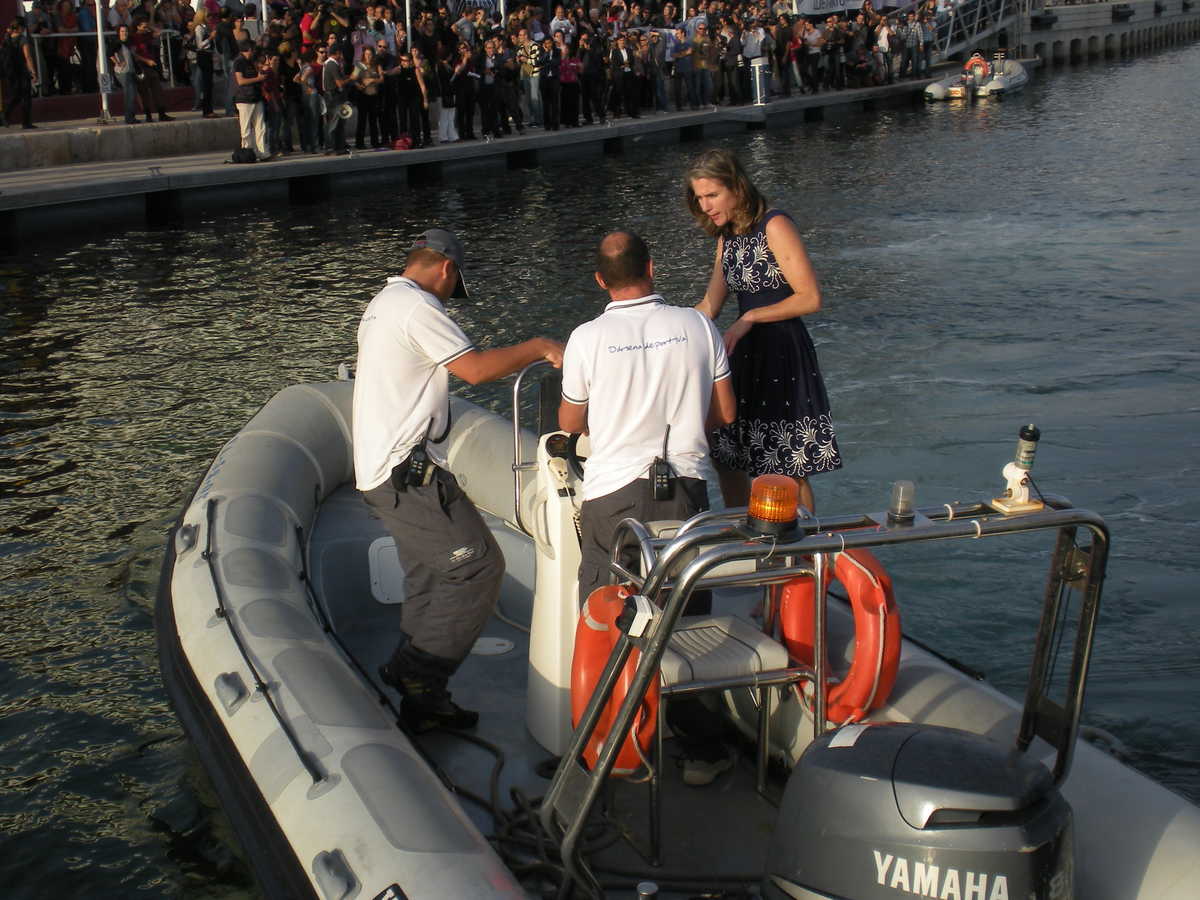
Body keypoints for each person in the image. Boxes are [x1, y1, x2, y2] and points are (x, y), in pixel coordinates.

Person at [358, 228, 563, 732]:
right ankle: (417, 673)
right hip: (403, 471)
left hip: (386, 467)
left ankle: (422, 698)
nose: (451, 298)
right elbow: (473, 369)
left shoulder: (384, 301)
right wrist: (538, 346)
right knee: (476, 568)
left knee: (431, 574)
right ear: (447, 270)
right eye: (454, 286)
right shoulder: (417, 307)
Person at [559, 231, 737, 785]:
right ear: (652, 267)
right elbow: (724, 412)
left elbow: (570, 424)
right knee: (684, 622)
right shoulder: (697, 325)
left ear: (599, 280)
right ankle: (701, 748)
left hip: (612, 495)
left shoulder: (586, 338)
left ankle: (608, 743)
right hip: (684, 490)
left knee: (608, 613)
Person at [687, 149, 842, 514]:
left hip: (782, 354)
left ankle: (802, 546)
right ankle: (742, 536)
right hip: (743, 354)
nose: (706, 206)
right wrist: (660, 324)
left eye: (712, 196)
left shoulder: (775, 225)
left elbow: (810, 297)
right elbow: (709, 306)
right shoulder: (726, 238)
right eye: (699, 198)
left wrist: (752, 317)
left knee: (787, 465)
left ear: (737, 188)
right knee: (727, 457)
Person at [233, 39, 269, 158]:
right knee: (246, 128)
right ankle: (247, 152)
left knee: (260, 126)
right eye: (253, 50)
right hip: (244, 98)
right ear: (249, 50)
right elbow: (240, 81)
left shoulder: (251, 61)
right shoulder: (239, 62)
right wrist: (258, 79)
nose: (254, 53)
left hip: (256, 96)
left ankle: (262, 152)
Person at [1, 19, 38, 129]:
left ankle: (5, 115)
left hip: (10, 72)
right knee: (26, 97)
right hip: (21, 71)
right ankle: (26, 122)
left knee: (16, 96)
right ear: (21, 27)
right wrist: (33, 72)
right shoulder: (22, 39)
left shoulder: (7, 38)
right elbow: (27, 57)